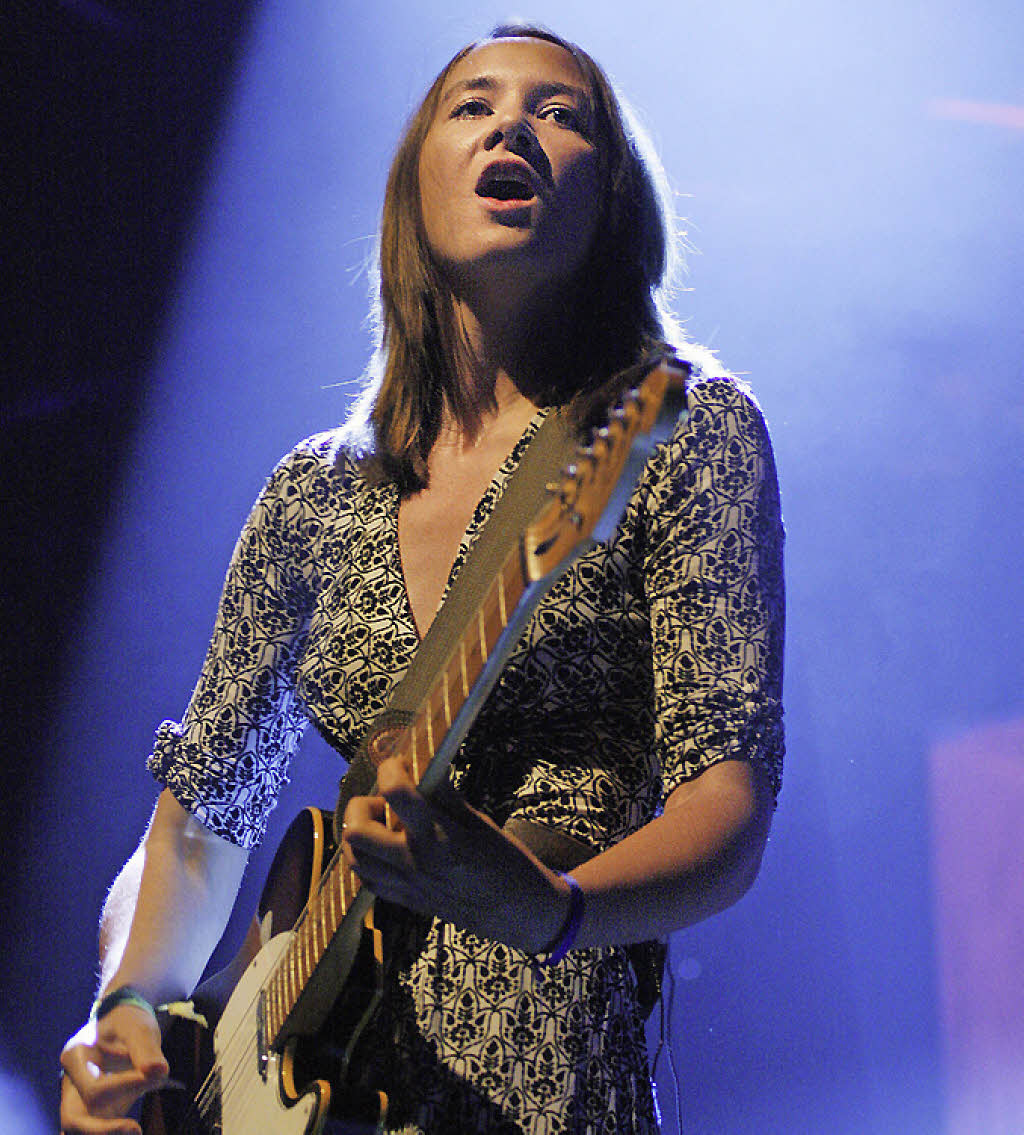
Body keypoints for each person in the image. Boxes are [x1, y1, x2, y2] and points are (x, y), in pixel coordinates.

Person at [59, 22, 784, 1135]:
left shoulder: (683, 431)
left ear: (613, 202)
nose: (512, 127)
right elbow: (201, 821)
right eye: (473, 106)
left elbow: (725, 807)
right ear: (412, 188)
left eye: (559, 113)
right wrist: (124, 1011)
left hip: (541, 1076)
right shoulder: (313, 493)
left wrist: (552, 911)